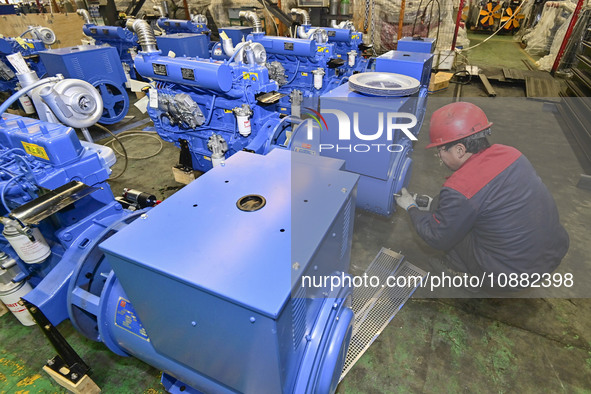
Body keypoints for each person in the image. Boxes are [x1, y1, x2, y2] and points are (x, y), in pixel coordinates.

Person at [395, 102, 569, 291]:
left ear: (460, 150)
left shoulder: (460, 188)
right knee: (441, 205)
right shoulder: (511, 153)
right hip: (551, 253)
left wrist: (411, 208)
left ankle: (462, 274)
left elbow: (437, 237)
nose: (439, 156)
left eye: (440, 151)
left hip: (509, 274)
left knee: (448, 229)